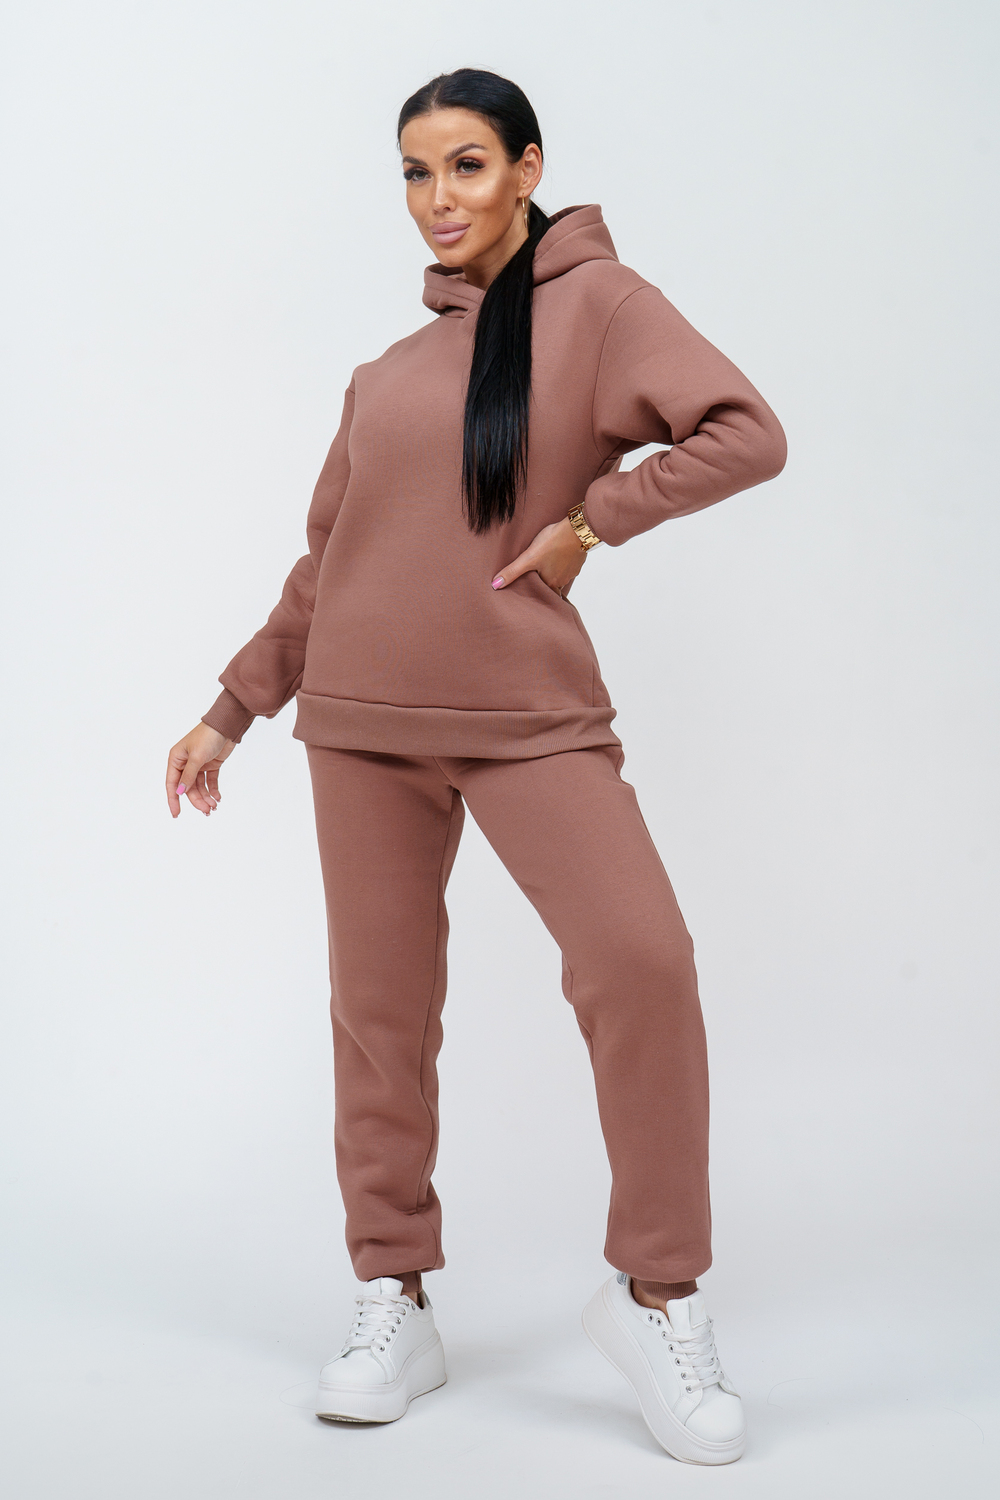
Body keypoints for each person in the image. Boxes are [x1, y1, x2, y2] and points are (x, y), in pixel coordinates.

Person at [166, 68, 786, 1464]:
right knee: (382, 1016)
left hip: (528, 719)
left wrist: (595, 521)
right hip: (357, 724)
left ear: (528, 167)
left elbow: (746, 432)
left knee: (643, 963)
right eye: (413, 171)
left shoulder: (602, 304)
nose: (437, 198)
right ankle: (392, 1294)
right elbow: (327, 565)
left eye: (465, 165)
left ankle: (657, 1296)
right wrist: (232, 708)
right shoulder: (387, 373)